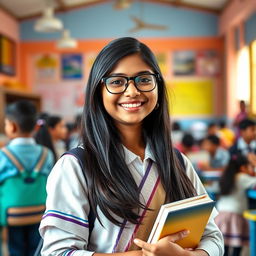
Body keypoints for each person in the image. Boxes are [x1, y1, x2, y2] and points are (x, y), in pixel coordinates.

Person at [39, 37, 224, 256]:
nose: (132, 91)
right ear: (98, 91)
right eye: (117, 81)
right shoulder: (76, 167)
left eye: (144, 79)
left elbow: (213, 237)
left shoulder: (178, 162)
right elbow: (57, 252)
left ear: (158, 86)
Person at [0, 100, 54, 256]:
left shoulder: (3, 155)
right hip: (40, 213)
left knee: (16, 249)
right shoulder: (46, 153)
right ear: (36, 127)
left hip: (12, 215)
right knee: (36, 249)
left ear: (12, 126)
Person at [215, 155, 256, 256]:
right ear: (243, 168)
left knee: (223, 248)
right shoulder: (242, 177)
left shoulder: (226, 176)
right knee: (237, 247)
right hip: (235, 216)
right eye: (249, 166)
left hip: (221, 215)